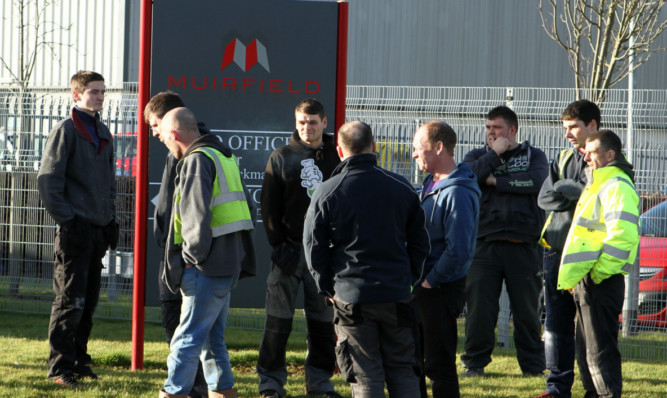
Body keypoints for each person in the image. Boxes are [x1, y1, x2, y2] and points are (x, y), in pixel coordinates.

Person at [303, 120, 430, 397]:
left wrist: (329, 288)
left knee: (365, 376)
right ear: (373, 147)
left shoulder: (327, 192)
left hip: (352, 297)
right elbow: (421, 242)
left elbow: (314, 247)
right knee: (403, 370)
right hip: (395, 293)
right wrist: (408, 278)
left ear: (339, 150)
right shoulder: (402, 187)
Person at [157, 107, 256, 398]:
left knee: (186, 338)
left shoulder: (196, 160)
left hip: (204, 267)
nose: (163, 142)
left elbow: (195, 218)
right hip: (225, 263)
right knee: (212, 341)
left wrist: (191, 260)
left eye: (163, 137)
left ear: (174, 134)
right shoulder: (222, 155)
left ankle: (173, 392)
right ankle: (222, 391)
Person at [37, 70, 118, 387]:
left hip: (97, 230)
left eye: (102, 91)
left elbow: (109, 183)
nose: (100, 96)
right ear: (77, 94)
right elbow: (47, 182)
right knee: (70, 300)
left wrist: (110, 218)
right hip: (75, 231)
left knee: (89, 301)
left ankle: (80, 360)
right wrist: (69, 221)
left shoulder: (104, 132)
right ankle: (60, 368)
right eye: (94, 91)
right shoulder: (66, 130)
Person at [257, 98, 341, 398]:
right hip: (289, 252)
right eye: (302, 122)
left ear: (324, 123)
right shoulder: (280, 157)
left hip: (327, 256)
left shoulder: (338, 155)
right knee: (277, 323)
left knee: (322, 325)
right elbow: (268, 208)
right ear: (296, 122)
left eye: (313, 122)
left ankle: (319, 384)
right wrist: (278, 246)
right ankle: (270, 383)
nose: (307, 128)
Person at [460, 105, 548, 377]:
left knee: (527, 313)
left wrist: (496, 181)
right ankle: (474, 364)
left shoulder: (534, 155)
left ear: (512, 130)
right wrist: (495, 153)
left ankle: (533, 368)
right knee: (480, 312)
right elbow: (469, 177)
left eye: (496, 128)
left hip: (524, 247)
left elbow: (536, 182)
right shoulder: (477, 156)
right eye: (487, 128)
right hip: (484, 245)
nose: (491, 133)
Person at [557, 130, 639, 398]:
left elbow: (622, 239)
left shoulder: (616, 185)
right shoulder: (600, 183)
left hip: (600, 280)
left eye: (592, 151)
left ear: (610, 155)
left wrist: (597, 274)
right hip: (591, 279)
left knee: (599, 350)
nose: (586, 156)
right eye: (586, 151)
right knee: (587, 351)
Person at [534, 100, 600, 398]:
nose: (568, 134)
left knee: (590, 329)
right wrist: (571, 191)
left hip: (589, 255)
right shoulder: (562, 157)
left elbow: (593, 196)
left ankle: (595, 388)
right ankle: (557, 388)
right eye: (565, 128)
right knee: (556, 323)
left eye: (573, 127)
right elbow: (545, 197)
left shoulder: (608, 158)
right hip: (556, 251)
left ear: (593, 125)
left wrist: (568, 190)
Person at [144, 91, 209, 398]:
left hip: (185, 258)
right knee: (182, 326)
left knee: (186, 328)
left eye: (156, 125)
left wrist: (185, 257)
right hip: (174, 254)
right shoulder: (178, 154)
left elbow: (193, 214)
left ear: (173, 122)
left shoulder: (196, 156)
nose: (154, 133)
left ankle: (186, 389)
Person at [412, 120, 480, 397]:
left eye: (419, 148)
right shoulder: (432, 182)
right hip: (423, 286)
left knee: (439, 365)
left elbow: (459, 250)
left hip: (438, 289)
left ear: (439, 147)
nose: (414, 154)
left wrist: (430, 282)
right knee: (413, 360)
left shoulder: (458, 192)